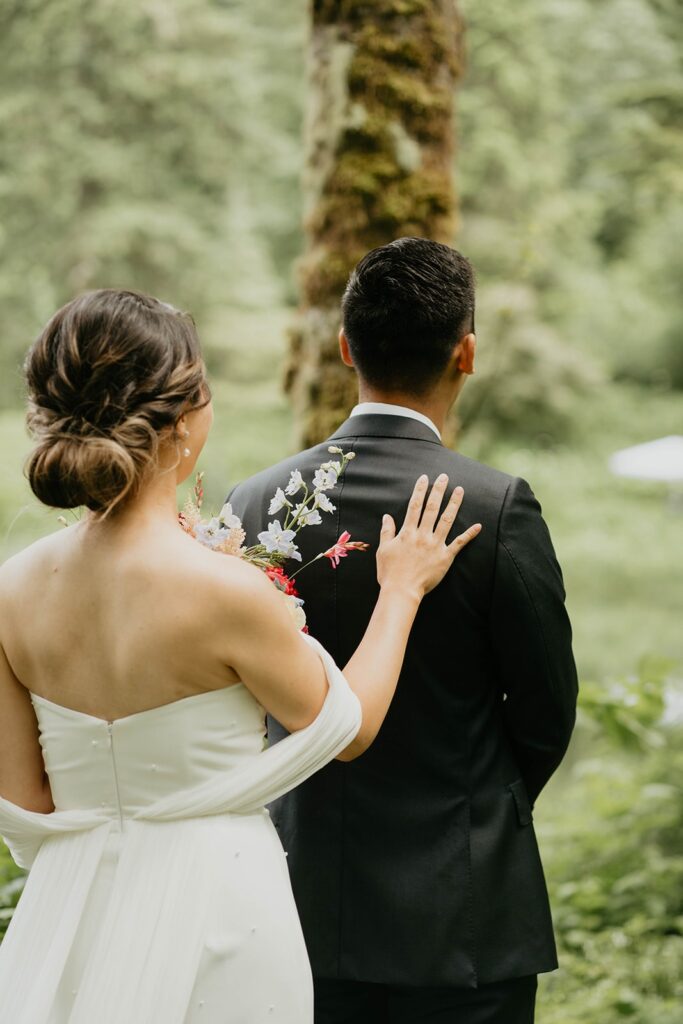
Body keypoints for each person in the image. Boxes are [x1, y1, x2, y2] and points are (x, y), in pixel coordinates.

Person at [0, 288, 480, 1024]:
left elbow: (28, 802)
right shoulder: (224, 590)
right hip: (216, 909)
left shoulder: (11, 590)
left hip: (67, 914)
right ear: (186, 420)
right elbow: (347, 730)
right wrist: (401, 590)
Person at [227, 237, 579, 1024]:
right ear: (467, 352)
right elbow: (546, 709)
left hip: (293, 895)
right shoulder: (494, 506)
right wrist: (478, 804)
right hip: (460, 912)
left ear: (345, 346)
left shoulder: (256, 506)